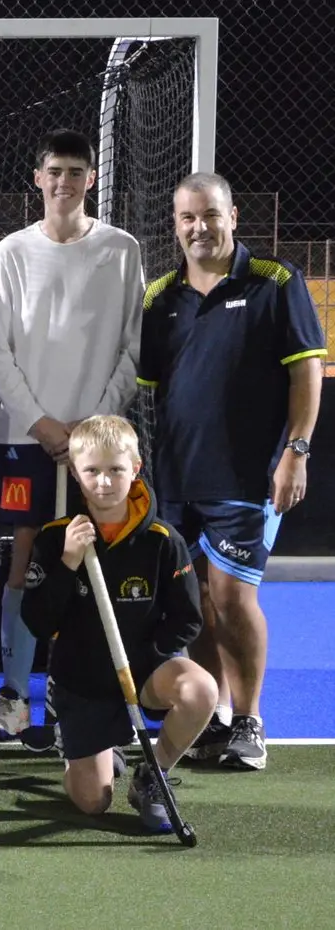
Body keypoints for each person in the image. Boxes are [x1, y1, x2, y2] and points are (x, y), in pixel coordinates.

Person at [138, 172, 326, 771]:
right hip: (175, 480)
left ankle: (250, 722)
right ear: (176, 225)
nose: (200, 227)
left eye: (210, 215)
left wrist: (296, 450)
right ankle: (215, 720)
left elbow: (307, 373)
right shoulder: (161, 297)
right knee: (194, 603)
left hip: (247, 477)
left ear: (233, 216)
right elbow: (150, 394)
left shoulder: (276, 283)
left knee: (233, 595)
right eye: (188, 218)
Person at [0, 129, 145, 740]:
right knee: (25, 563)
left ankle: (83, 696)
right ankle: (16, 697)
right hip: (27, 437)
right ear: (38, 178)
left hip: (96, 445)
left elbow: (132, 345)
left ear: (91, 179)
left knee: (96, 564)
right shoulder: (11, 253)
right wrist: (43, 424)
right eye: (55, 170)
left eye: (77, 171)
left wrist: (91, 427)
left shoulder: (121, 249)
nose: (65, 181)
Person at [21, 415, 217, 830]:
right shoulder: (56, 538)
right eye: (92, 471)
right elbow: (38, 620)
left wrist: (141, 659)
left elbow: (186, 620)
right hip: (83, 679)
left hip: (144, 670)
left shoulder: (163, 540)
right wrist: (68, 563)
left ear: (136, 469)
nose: (104, 482)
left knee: (199, 689)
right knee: (93, 803)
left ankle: (154, 772)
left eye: (115, 470)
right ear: (75, 473)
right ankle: (92, 748)